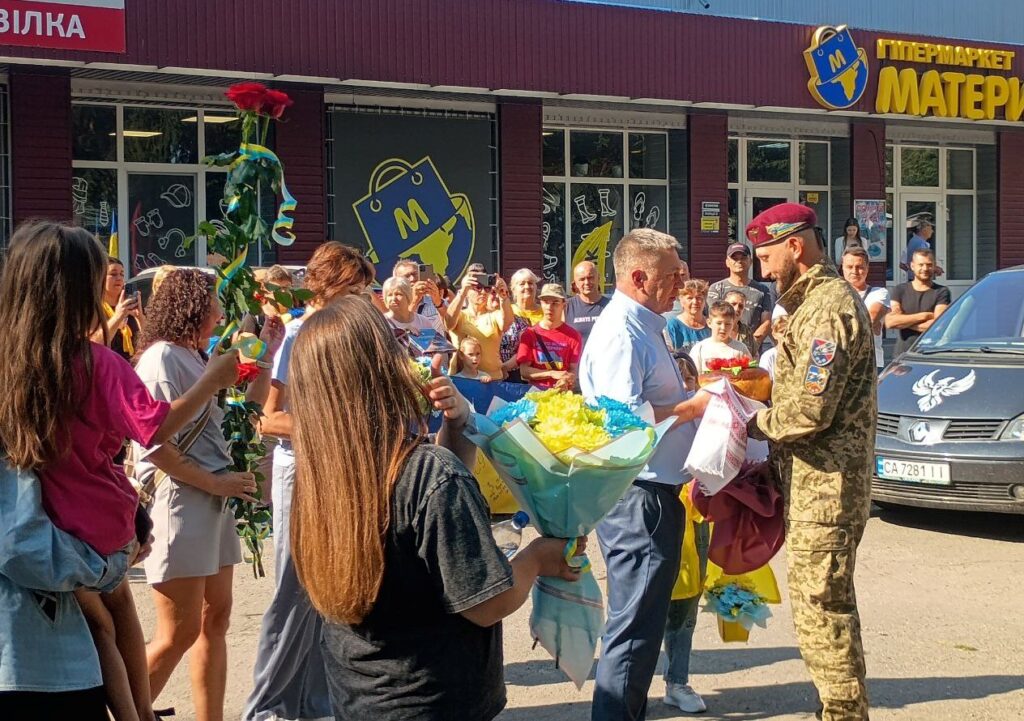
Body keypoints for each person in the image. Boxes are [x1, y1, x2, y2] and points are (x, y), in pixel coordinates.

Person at [287, 297, 583, 720]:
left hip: (360, 696)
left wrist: (457, 425)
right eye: (397, 345)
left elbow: (424, 514)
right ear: (381, 370)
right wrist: (538, 557)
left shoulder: (322, 477)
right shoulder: (427, 473)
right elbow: (485, 603)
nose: (411, 355)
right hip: (436, 698)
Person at [0, 223, 245, 721]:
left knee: (100, 627)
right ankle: (139, 715)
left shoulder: (16, 366)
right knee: (117, 621)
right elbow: (153, 427)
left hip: (55, 515)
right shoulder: (97, 363)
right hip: (99, 520)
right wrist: (212, 381)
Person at [133, 269, 283, 721]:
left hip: (211, 499)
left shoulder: (195, 356)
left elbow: (248, 410)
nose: (220, 313)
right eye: (214, 302)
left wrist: (266, 356)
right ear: (193, 307)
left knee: (215, 620)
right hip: (180, 500)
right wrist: (216, 483)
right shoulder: (162, 358)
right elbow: (154, 443)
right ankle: (122, 711)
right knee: (177, 631)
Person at [746, 202, 875, 721]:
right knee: (821, 607)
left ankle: (843, 713)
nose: (762, 271)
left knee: (824, 610)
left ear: (795, 246)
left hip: (826, 490)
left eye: (766, 257)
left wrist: (750, 422)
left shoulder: (827, 308)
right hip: (812, 485)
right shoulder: (812, 304)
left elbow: (810, 410)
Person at [580, 228, 711, 719]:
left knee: (643, 624)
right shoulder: (621, 331)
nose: (682, 282)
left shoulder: (647, 323)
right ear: (639, 277)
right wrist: (693, 406)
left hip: (656, 493)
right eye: (672, 275)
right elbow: (626, 422)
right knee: (634, 629)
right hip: (639, 495)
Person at [246, 241, 375, 721]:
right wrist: (333, 428)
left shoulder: (348, 335)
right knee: (293, 591)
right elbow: (268, 417)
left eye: (363, 291)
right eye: (353, 290)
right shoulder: (299, 334)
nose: (360, 300)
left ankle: (317, 705)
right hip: (299, 470)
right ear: (327, 285)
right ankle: (266, 708)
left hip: (338, 468)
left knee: (332, 588)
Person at [0, 460, 134, 719]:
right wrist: (110, 563)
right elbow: (21, 548)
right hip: (33, 663)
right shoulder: (11, 454)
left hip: (40, 661)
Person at [445, 270, 513, 379]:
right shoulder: (460, 315)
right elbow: (448, 323)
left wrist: (503, 295)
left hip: (492, 378)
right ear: (467, 291)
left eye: (487, 288)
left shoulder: (494, 315)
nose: (483, 292)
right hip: (461, 378)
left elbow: (507, 324)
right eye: (478, 288)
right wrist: (462, 292)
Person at [707, 242, 773, 352]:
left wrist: (750, 345)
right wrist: (732, 345)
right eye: (734, 258)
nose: (739, 261)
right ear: (727, 262)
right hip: (722, 349)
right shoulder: (717, 289)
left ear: (750, 261)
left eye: (743, 258)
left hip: (752, 351)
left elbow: (767, 322)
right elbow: (715, 318)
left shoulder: (762, 290)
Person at [516, 283, 582, 391]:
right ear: (541, 303)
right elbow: (524, 371)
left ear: (564, 305)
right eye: (546, 302)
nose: (549, 307)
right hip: (536, 394)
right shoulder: (529, 333)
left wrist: (566, 380)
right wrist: (551, 373)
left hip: (561, 395)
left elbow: (573, 369)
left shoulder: (574, 336)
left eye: (555, 303)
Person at [886, 248, 951, 358]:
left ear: (934, 266)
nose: (925, 268)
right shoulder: (900, 290)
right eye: (921, 265)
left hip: (931, 354)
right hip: (902, 355)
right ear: (912, 266)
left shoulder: (942, 292)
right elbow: (890, 322)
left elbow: (938, 327)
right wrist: (924, 316)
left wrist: (904, 323)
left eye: (929, 265)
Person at [841, 247, 891, 371]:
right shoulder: (834, 295)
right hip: (841, 363)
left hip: (870, 364)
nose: (854, 271)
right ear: (842, 267)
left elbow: (870, 320)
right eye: (849, 267)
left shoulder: (879, 293)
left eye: (860, 267)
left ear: (867, 268)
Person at [91, 256, 143, 361]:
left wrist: (140, 316)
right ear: (100, 278)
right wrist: (118, 316)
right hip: (107, 366)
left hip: (132, 367)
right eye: (113, 274)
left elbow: (150, 341)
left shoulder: (129, 305)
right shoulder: (94, 308)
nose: (119, 278)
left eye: (122, 274)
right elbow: (93, 344)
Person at [689, 301, 749, 373]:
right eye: (719, 323)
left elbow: (750, 373)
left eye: (727, 324)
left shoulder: (740, 348)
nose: (723, 328)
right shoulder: (699, 349)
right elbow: (693, 375)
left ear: (733, 324)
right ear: (709, 323)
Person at [392, 259, 446, 333]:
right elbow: (399, 329)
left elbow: (450, 326)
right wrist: (414, 301)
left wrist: (438, 302)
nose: (412, 279)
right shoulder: (394, 303)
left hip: (436, 340)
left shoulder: (434, 299)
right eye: (406, 276)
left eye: (415, 274)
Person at [564, 260, 610, 346]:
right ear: (575, 283)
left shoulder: (612, 306)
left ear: (598, 278)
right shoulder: (566, 307)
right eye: (582, 279)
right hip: (578, 355)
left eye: (590, 277)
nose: (587, 282)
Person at [664, 279, 711, 355]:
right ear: (681, 301)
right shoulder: (672, 325)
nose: (695, 302)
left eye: (699, 298)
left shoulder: (711, 325)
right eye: (690, 298)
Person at [724, 289, 760, 356]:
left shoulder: (747, 331)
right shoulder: (715, 327)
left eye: (741, 306)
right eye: (733, 304)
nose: (737, 309)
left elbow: (755, 355)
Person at [759, 313, 790, 381]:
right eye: (781, 332)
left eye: (788, 332)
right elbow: (765, 382)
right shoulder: (768, 356)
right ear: (774, 334)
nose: (785, 336)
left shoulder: (798, 354)